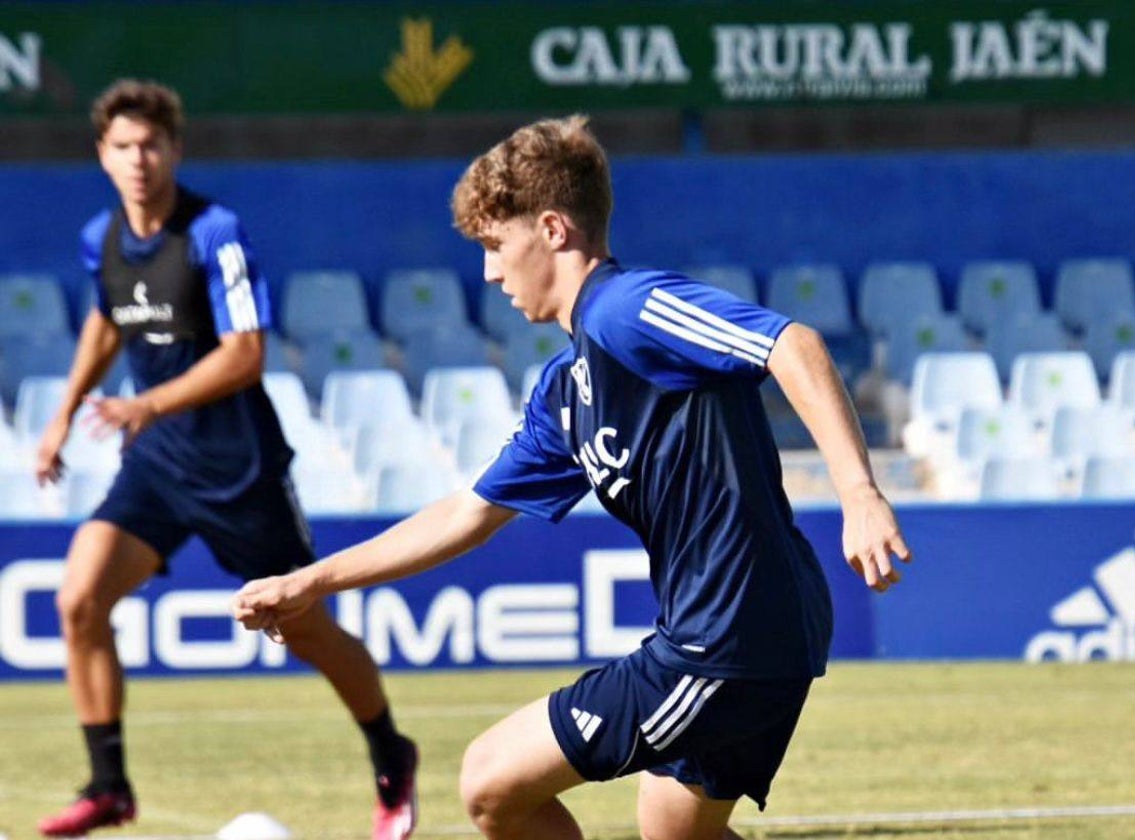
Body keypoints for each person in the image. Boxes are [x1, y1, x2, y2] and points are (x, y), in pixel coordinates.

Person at [234, 114, 911, 840]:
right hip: (747, 632)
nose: (490, 272)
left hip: (728, 639)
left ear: (552, 229)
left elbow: (791, 343)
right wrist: (312, 583)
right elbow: (467, 514)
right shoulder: (568, 388)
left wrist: (859, 493)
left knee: (491, 783)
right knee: (674, 832)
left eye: (497, 246)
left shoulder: (628, 309)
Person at [34, 79, 418, 840]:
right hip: (157, 467)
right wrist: (62, 413)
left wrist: (145, 404)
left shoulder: (215, 232)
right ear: (102, 156)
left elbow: (246, 355)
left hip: (241, 471)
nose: (138, 159)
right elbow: (107, 321)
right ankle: (108, 786)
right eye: (123, 147)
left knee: (306, 631)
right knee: (78, 599)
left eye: (152, 144)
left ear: (175, 149)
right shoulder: (101, 239)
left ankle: (391, 753)